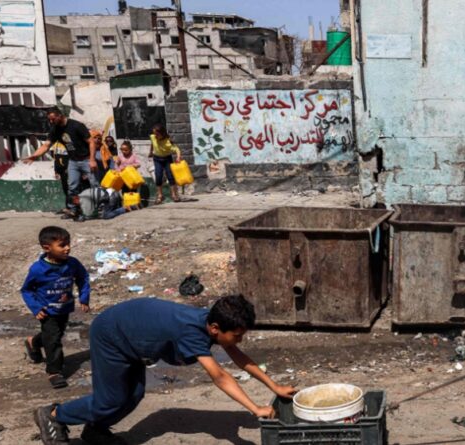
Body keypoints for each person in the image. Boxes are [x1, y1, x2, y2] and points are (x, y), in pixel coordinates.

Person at [33, 295, 295, 445]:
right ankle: (55, 415)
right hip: (111, 335)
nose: (240, 340)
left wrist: (275, 387)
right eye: (237, 336)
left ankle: (95, 430)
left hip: (132, 337)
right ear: (215, 328)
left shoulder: (213, 322)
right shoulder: (192, 332)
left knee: (134, 394)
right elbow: (219, 376)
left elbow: (240, 358)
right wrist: (255, 409)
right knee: (110, 399)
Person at [21, 226, 90, 390]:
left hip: (64, 308)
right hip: (46, 310)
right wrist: (36, 308)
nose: (68, 248)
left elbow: (83, 277)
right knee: (53, 340)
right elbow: (26, 290)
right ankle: (54, 371)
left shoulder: (72, 264)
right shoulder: (38, 269)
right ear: (47, 248)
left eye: (68, 244)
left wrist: (84, 297)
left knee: (55, 334)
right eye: (62, 245)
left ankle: (33, 342)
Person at [24, 108, 97, 220]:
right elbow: (46, 145)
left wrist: (92, 160)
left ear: (60, 115)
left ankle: (101, 207)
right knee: (72, 187)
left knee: (95, 184)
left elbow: (91, 142)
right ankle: (73, 210)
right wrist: (34, 156)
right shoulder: (55, 130)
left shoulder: (76, 126)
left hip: (86, 159)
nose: (51, 122)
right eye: (49, 120)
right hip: (73, 161)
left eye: (53, 119)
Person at [148, 123, 181, 204]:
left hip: (167, 159)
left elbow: (177, 149)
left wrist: (178, 157)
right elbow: (152, 143)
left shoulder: (167, 142)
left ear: (162, 133)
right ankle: (160, 195)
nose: (155, 136)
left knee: (170, 176)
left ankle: (174, 195)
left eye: (157, 134)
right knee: (158, 176)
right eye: (154, 134)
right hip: (157, 159)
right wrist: (151, 152)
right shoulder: (153, 137)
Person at [51, 141, 71, 214]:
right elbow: (55, 158)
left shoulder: (68, 143)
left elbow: (72, 155)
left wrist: (69, 168)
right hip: (61, 171)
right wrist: (56, 171)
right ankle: (68, 207)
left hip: (68, 170)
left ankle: (72, 208)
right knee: (65, 189)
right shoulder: (55, 144)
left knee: (70, 189)